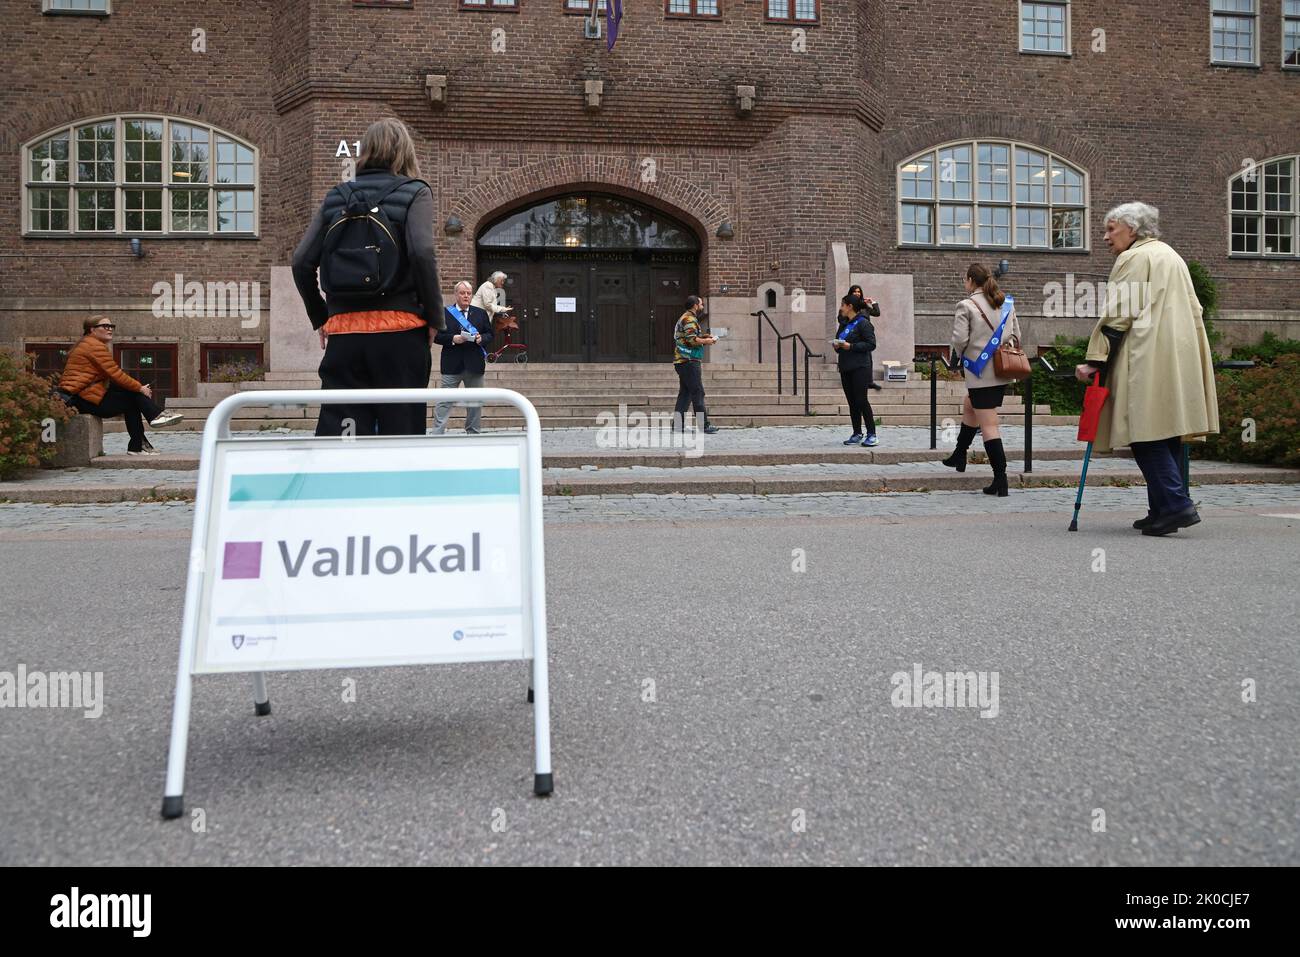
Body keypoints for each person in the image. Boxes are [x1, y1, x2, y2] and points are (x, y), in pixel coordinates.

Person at [1074, 202, 1219, 536]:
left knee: (1143, 431)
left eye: (1112, 229)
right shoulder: (1171, 255)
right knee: (1164, 428)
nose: (1106, 237)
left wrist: (1095, 360)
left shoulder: (1134, 258)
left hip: (1146, 353)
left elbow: (1119, 314)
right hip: (1177, 353)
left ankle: (1176, 505)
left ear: (1133, 229)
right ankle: (1160, 510)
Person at [292, 118, 443, 437]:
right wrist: (433, 318)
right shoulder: (415, 192)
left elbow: (301, 262)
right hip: (400, 335)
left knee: (342, 433)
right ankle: (398, 486)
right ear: (405, 152)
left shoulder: (337, 197)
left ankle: (340, 485)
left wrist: (322, 317)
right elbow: (421, 254)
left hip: (346, 336)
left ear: (366, 151)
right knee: (401, 431)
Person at [943, 263, 1023, 496]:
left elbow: (959, 339)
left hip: (980, 373)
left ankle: (1001, 479)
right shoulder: (1005, 303)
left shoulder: (966, 305)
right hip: (1002, 370)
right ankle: (960, 453)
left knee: (988, 425)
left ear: (970, 280)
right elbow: (1017, 335)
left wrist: (967, 354)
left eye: (964, 280)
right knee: (971, 404)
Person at [59, 315, 182, 455]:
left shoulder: (89, 344)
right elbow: (115, 374)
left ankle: (140, 442)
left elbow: (109, 378)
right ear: (92, 329)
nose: (110, 329)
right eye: (105, 326)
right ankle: (150, 425)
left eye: (111, 326)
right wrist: (140, 388)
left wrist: (137, 389)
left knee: (132, 397)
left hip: (86, 396)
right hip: (80, 399)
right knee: (133, 399)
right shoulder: (93, 346)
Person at [432, 280, 494, 434]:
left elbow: (490, 334)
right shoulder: (445, 313)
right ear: (455, 294)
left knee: (475, 402)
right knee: (445, 401)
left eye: (468, 293)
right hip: (452, 364)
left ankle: (473, 432)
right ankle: (437, 433)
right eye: (462, 293)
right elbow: (436, 336)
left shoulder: (480, 313)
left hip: (474, 363)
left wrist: (482, 339)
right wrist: (453, 339)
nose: (466, 296)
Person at [833, 294, 879, 447]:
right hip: (846, 366)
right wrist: (837, 346)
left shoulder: (863, 323)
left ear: (850, 306)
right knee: (852, 402)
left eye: (842, 305)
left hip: (860, 367)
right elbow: (839, 341)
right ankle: (857, 432)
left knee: (861, 400)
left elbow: (871, 344)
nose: (841, 308)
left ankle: (872, 434)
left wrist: (851, 346)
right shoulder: (845, 324)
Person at [673, 295, 719, 434]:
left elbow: (689, 337)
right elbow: (692, 340)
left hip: (683, 361)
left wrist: (705, 337)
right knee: (697, 392)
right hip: (689, 361)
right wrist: (708, 341)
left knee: (685, 393)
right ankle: (703, 425)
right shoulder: (689, 319)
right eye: (701, 304)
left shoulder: (687, 318)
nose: (702, 307)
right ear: (695, 305)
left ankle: (677, 425)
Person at [847, 285, 883, 390]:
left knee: (868, 359)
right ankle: (854, 379)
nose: (857, 293)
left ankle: (869, 381)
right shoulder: (849, 305)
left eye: (859, 292)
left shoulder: (864, 306)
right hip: (855, 334)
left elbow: (876, 313)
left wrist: (873, 302)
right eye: (854, 292)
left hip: (865, 334)